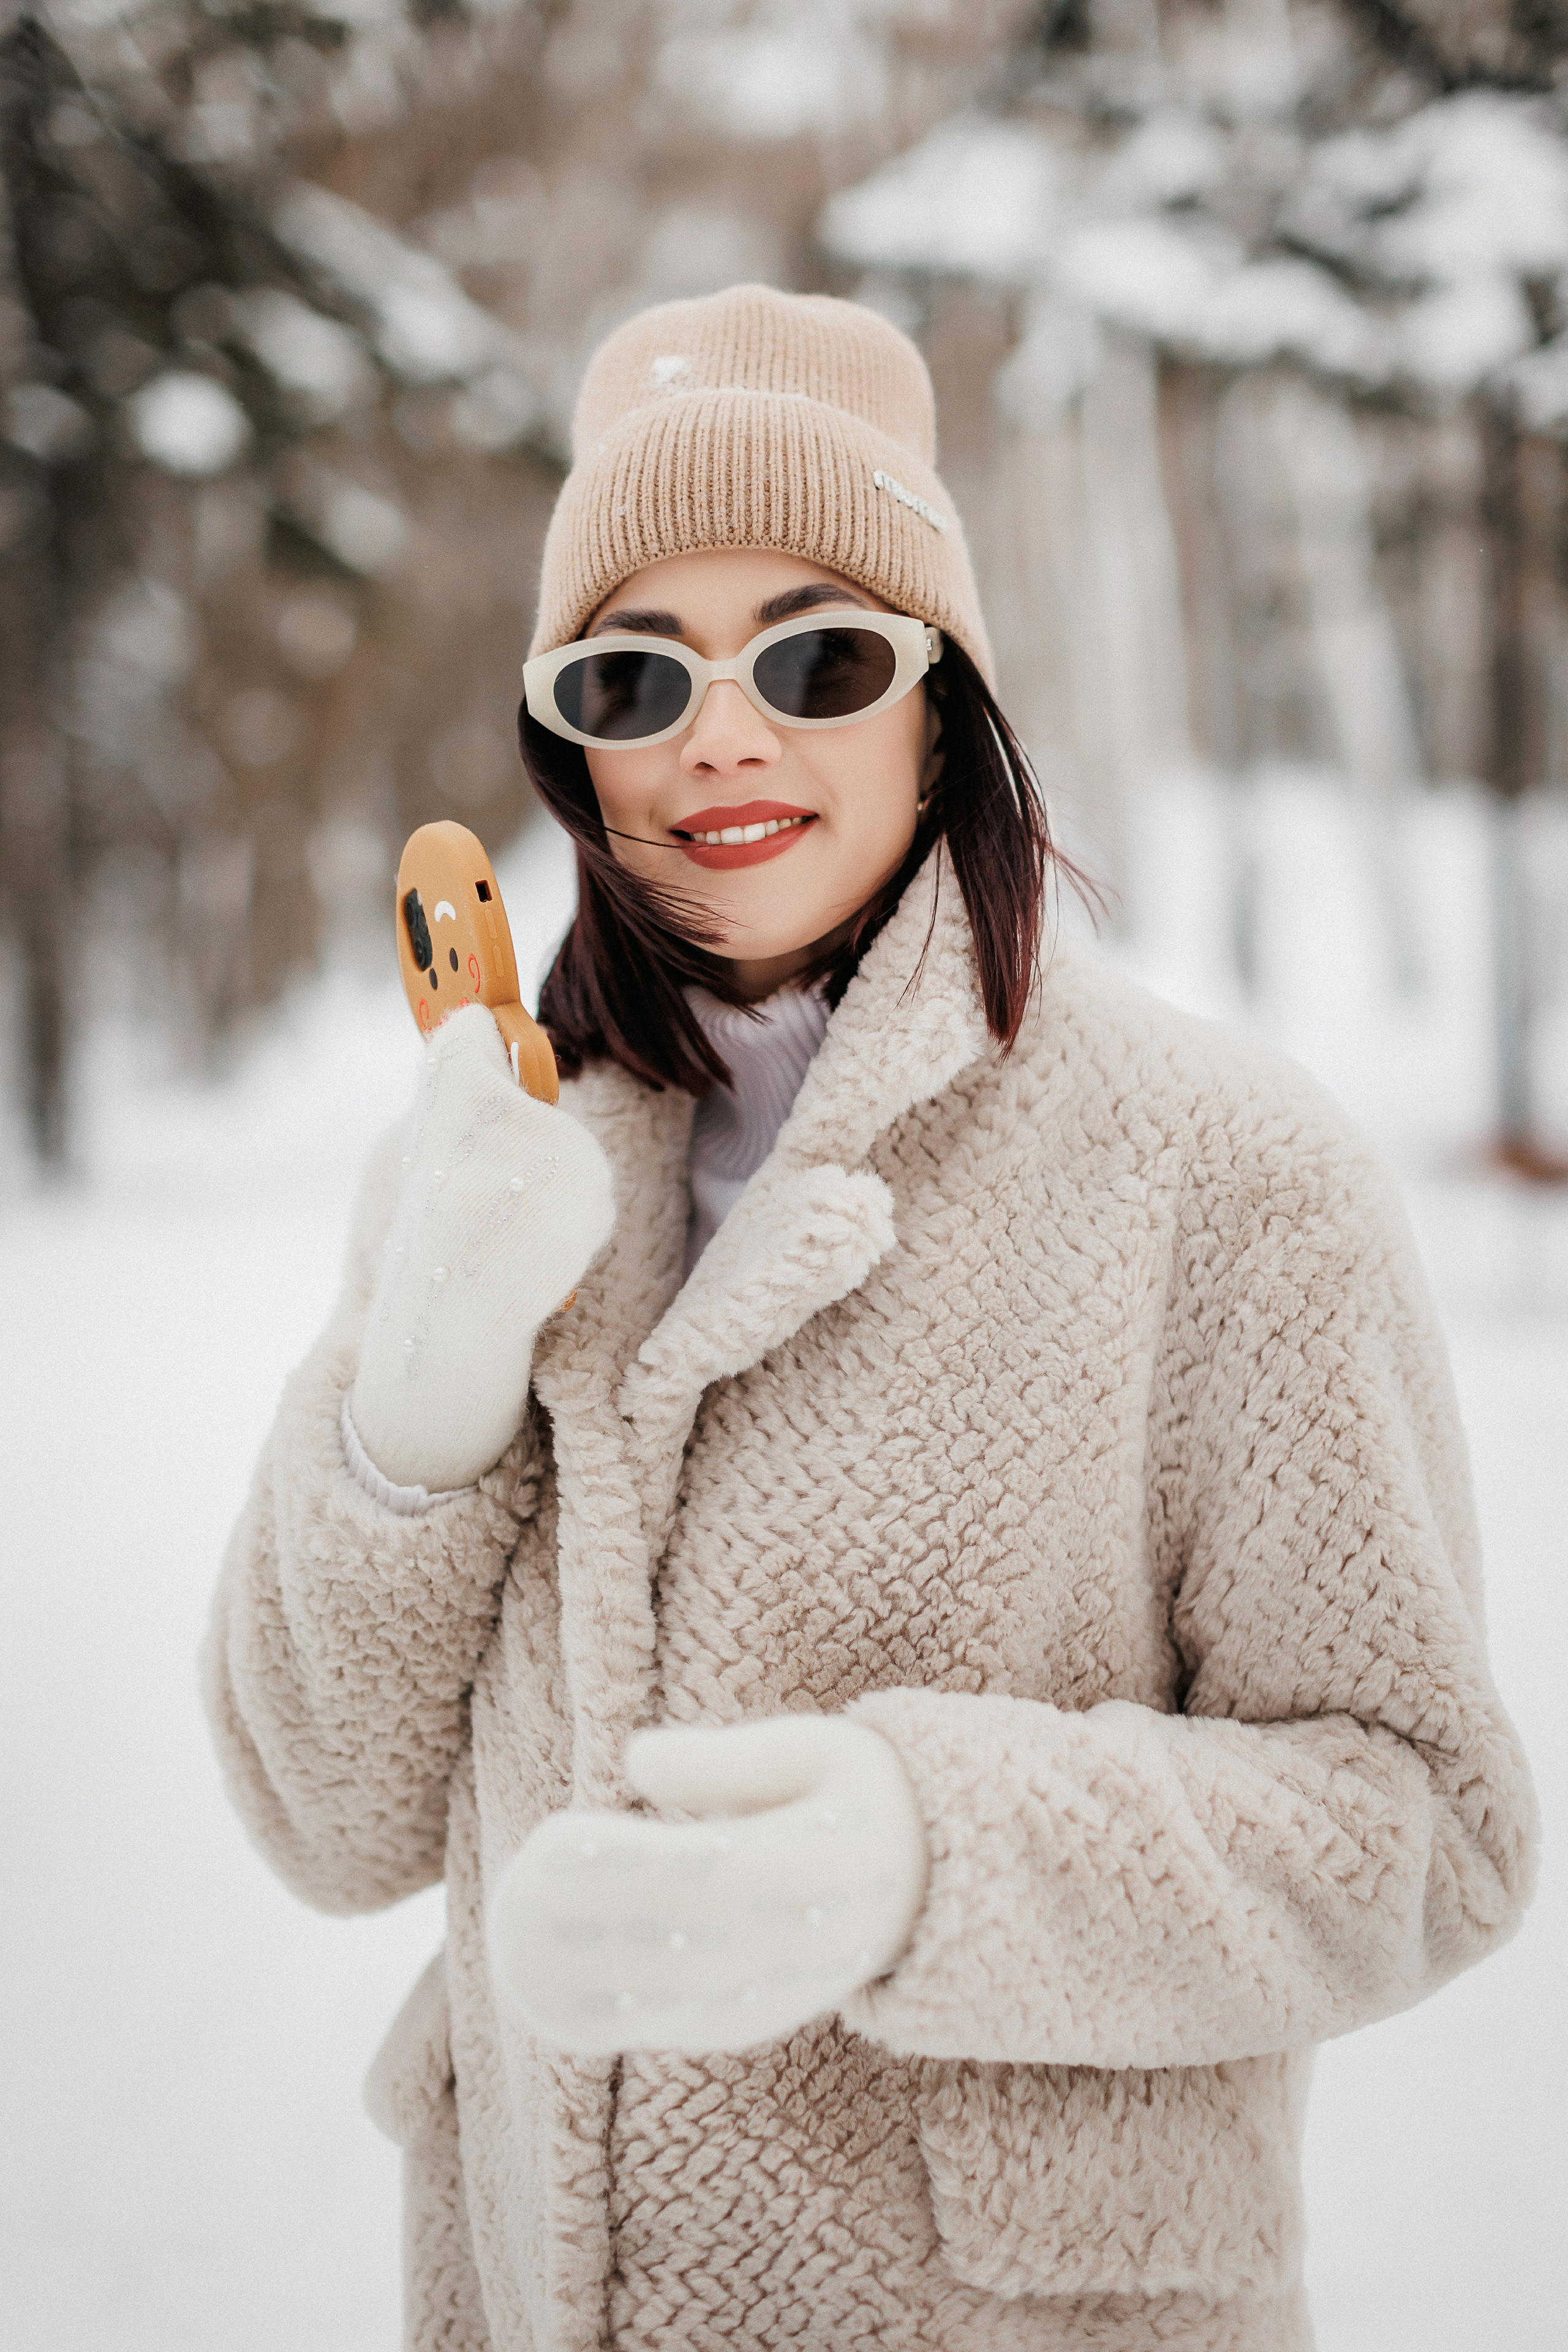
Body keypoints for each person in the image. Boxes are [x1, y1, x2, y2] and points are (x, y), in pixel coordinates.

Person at [204, 284, 1537, 2352]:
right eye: (636, 678)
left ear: (946, 703)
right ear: (571, 747)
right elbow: (320, 1818)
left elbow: (1422, 1831)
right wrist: (417, 1407)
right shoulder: (493, 1167)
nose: (722, 737)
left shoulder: (1225, 1174)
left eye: (818, 655)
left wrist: (936, 1855)